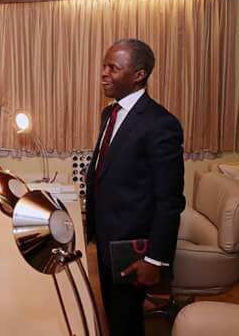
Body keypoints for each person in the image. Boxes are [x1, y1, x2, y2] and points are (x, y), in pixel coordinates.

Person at [85, 39, 185, 336]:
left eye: (112, 68)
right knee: (114, 317)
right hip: (105, 241)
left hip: (133, 252)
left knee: (127, 323)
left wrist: (154, 259)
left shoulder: (160, 124)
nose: (103, 73)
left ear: (138, 74)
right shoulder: (109, 114)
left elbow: (169, 200)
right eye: (104, 66)